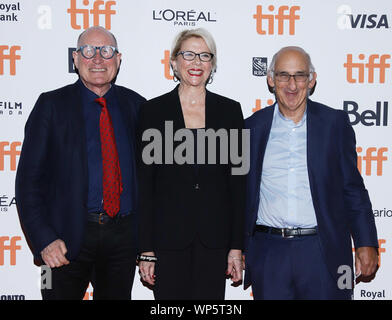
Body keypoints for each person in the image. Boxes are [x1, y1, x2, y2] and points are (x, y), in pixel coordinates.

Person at [15, 26, 145, 300]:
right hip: (63, 238)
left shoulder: (137, 107)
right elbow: (28, 183)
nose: (97, 58)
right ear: (75, 59)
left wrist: (148, 243)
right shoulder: (50, 105)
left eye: (106, 51)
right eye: (88, 51)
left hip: (123, 240)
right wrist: (44, 240)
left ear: (118, 60)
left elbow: (151, 181)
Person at [244, 46, 379, 300]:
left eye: (300, 75)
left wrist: (366, 242)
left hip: (323, 251)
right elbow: (240, 194)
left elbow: (353, 189)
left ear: (312, 80)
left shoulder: (334, 125)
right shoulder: (251, 128)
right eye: (284, 75)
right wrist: (236, 248)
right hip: (269, 254)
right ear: (271, 80)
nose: (292, 85)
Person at [137, 28, 246, 300]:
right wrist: (146, 249)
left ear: (213, 64)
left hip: (215, 241)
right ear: (174, 62)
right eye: (188, 54)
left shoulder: (231, 111)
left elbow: (238, 184)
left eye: (204, 56)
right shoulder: (152, 112)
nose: (196, 63)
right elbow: (145, 187)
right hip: (167, 240)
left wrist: (236, 247)